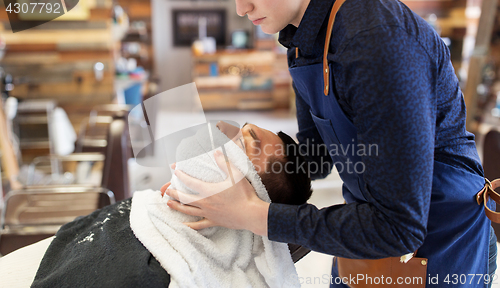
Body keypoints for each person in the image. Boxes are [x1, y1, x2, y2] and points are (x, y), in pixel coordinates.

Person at [163, 0, 498, 287]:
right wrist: (215, 179)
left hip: (436, 242)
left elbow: (400, 228)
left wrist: (254, 214)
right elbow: (316, 156)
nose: (240, 8)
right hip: (365, 228)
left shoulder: (375, 43)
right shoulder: (304, 38)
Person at [2, 122, 311, 287]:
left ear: (248, 195)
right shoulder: (148, 205)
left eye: (245, 143)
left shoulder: (152, 277)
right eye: (237, 130)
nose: (220, 128)